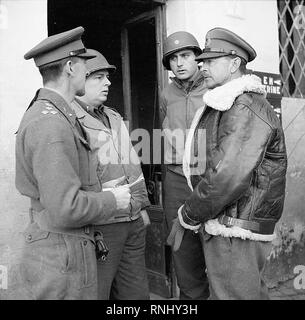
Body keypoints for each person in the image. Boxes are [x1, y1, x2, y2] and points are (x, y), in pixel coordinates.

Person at [170, 27, 287, 300]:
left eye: (211, 61)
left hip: (235, 226)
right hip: (231, 221)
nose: (203, 67)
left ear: (235, 64)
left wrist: (189, 215)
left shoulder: (243, 105)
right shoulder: (233, 103)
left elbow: (227, 175)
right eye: (203, 62)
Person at [13, 27, 131, 300]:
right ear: (69, 67)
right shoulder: (51, 123)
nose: (86, 70)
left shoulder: (56, 114)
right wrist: (113, 200)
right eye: (83, 64)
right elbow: (66, 208)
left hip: (65, 249)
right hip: (61, 255)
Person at [71, 49, 151, 300]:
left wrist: (142, 208)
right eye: (99, 77)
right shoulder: (70, 119)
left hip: (133, 221)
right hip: (101, 226)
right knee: (97, 293)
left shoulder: (113, 116)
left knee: (136, 295)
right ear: (80, 79)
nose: (108, 82)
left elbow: (132, 166)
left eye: (107, 77)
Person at [161, 31, 209, 300]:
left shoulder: (212, 87)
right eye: (174, 58)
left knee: (214, 243)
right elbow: (164, 129)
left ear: (197, 58)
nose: (179, 63)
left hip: (207, 177)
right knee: (182, 245)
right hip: (177, 178)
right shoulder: (166, 93)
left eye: (186, 56)